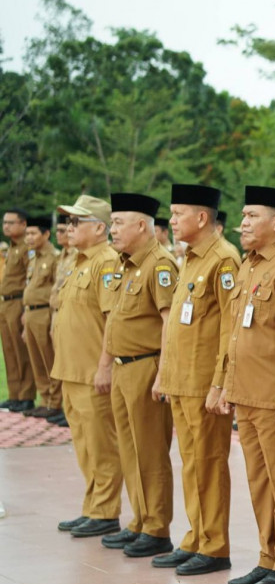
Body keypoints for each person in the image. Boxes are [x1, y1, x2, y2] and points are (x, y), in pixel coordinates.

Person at [214, 185, 275, 584]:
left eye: (252, 215)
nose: (243, 223)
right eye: (243, 215)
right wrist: (222, 382)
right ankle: (268, 556)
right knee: (258, 480)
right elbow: (232, 329)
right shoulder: (246, 265)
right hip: (245, 392)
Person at [156, 184, 240, 576]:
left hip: (203, 382)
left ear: (202, 218)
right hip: (181, 379)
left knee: (208, 463)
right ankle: (195, 537)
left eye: (178, 214)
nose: (172, 221)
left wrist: (219, 381)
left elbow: (229, 325)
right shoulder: (189, 258)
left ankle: (215, 545)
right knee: (191, 464)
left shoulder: (223, 260)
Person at [102, 192, 178, 558]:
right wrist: (105, 363)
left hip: (146, 366)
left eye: (118, 222)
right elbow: (114, 318)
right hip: (122, 367)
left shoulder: (159, 265)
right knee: (130, 450)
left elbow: (168, 324)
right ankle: (139, 519)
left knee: (150, 452)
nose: (112, 229)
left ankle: (157, 527)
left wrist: (163, 373)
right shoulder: (125, 264)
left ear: (143, 226)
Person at [52, 195, 124, 538]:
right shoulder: (77, 262)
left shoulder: (107, 262)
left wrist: (104, 365)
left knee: (101, 444)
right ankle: (92, 507)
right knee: (83, 443)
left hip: (91, 371)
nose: (69, 228)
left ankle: (106, 511)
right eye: (68, 222)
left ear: (99, 228)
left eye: (76, 222)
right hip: (70, 369)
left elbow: (111, 319)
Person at [21, 215, 62, 420]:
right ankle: (44, 399)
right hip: (30, 313)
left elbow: (56, 289)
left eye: (32, 233)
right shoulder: (33, 257)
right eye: (27, 233)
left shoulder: (54, 257)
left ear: (46, 234)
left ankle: (55, 402)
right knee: (36, 359)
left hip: (45, 312)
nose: (28, 237)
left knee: (49, 359)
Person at [0, 207, 34, 412]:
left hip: (18, 302)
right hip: (5, 303)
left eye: (11, 222)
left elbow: (29, 279)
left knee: (22, 351)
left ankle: (26, 396)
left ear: (23, 224)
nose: (6, 226)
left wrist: (24, 309)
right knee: (9, 350)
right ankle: (14, 394)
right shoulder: (11, 248)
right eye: (4, 222)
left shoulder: (26, 248)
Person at [46, 215, 75, 427]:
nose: (62, 234)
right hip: (56, 312)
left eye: (64, 230)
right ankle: (62, 405)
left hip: (69, 314)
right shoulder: (63, 256)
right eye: (61, 230)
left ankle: (66, 407)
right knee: (58, 362)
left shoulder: (76, 255)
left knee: (68, 362)